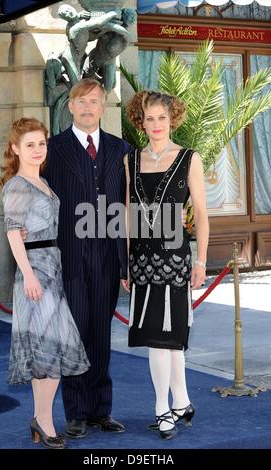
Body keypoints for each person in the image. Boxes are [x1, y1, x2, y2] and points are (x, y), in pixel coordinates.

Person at [44, 78, 131, 438]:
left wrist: (128, 263)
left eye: (94, 101)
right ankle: (76, 412)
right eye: (81, 101)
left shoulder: (121, 149)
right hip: (70, 256)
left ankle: (100, 410)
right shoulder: (52, 149)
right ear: (70, 106)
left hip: (108, 257)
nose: (87, 107)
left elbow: (129, 207)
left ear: (104, 105)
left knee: (100, 333)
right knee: (74, 334)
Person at [122, 91, 209, 440]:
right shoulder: (131, 160)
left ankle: (162, 409)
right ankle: (183, 400)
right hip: (141, 260)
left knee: (165, 339)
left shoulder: (190, 158)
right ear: (140, 120)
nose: (155, 124)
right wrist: (126, 262)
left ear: (172, 118)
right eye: (149, 118)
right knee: (164, 339)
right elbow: (129, 214)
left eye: (161, 117)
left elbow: (201, 214)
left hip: (174, 260)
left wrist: (201, 259)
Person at [0, 118, 90, 449]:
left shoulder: (42, 182)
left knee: (45, 352)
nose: (38, 150)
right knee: (51, 350)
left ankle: (40, 418)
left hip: (52, 270)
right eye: (30, 145)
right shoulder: (17, 185)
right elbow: (12, 232)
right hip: (35, 274)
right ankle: (46, 421)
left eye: (42, 144)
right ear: (15, 149)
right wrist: (29, 276)